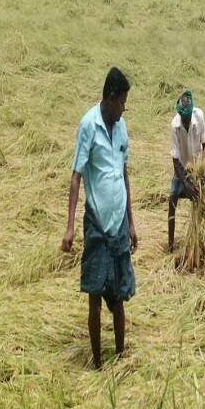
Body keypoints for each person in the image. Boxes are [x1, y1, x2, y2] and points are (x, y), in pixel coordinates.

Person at [61, 67, 138, 367]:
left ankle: (119, 356)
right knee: (94, 294)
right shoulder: (88, 126)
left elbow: (124, 174)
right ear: (110, 97)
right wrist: (69, 227)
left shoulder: (122, 128)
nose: (123, 109)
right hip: (96, 222)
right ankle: (97, 362)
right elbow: (76, 177)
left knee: (118, 295)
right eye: (122, 103)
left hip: (118, 223)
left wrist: (131, 222)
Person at [168, 90, 205, 251]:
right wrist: (186, 184)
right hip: (182, 169)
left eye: (188, 116)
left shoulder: (199, 116)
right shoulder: (175, 126)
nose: (185, 120)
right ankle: (171, 245)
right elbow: (175, 160)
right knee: (172, 199)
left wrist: (202, 172)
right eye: (183, 117)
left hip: (198, 167)